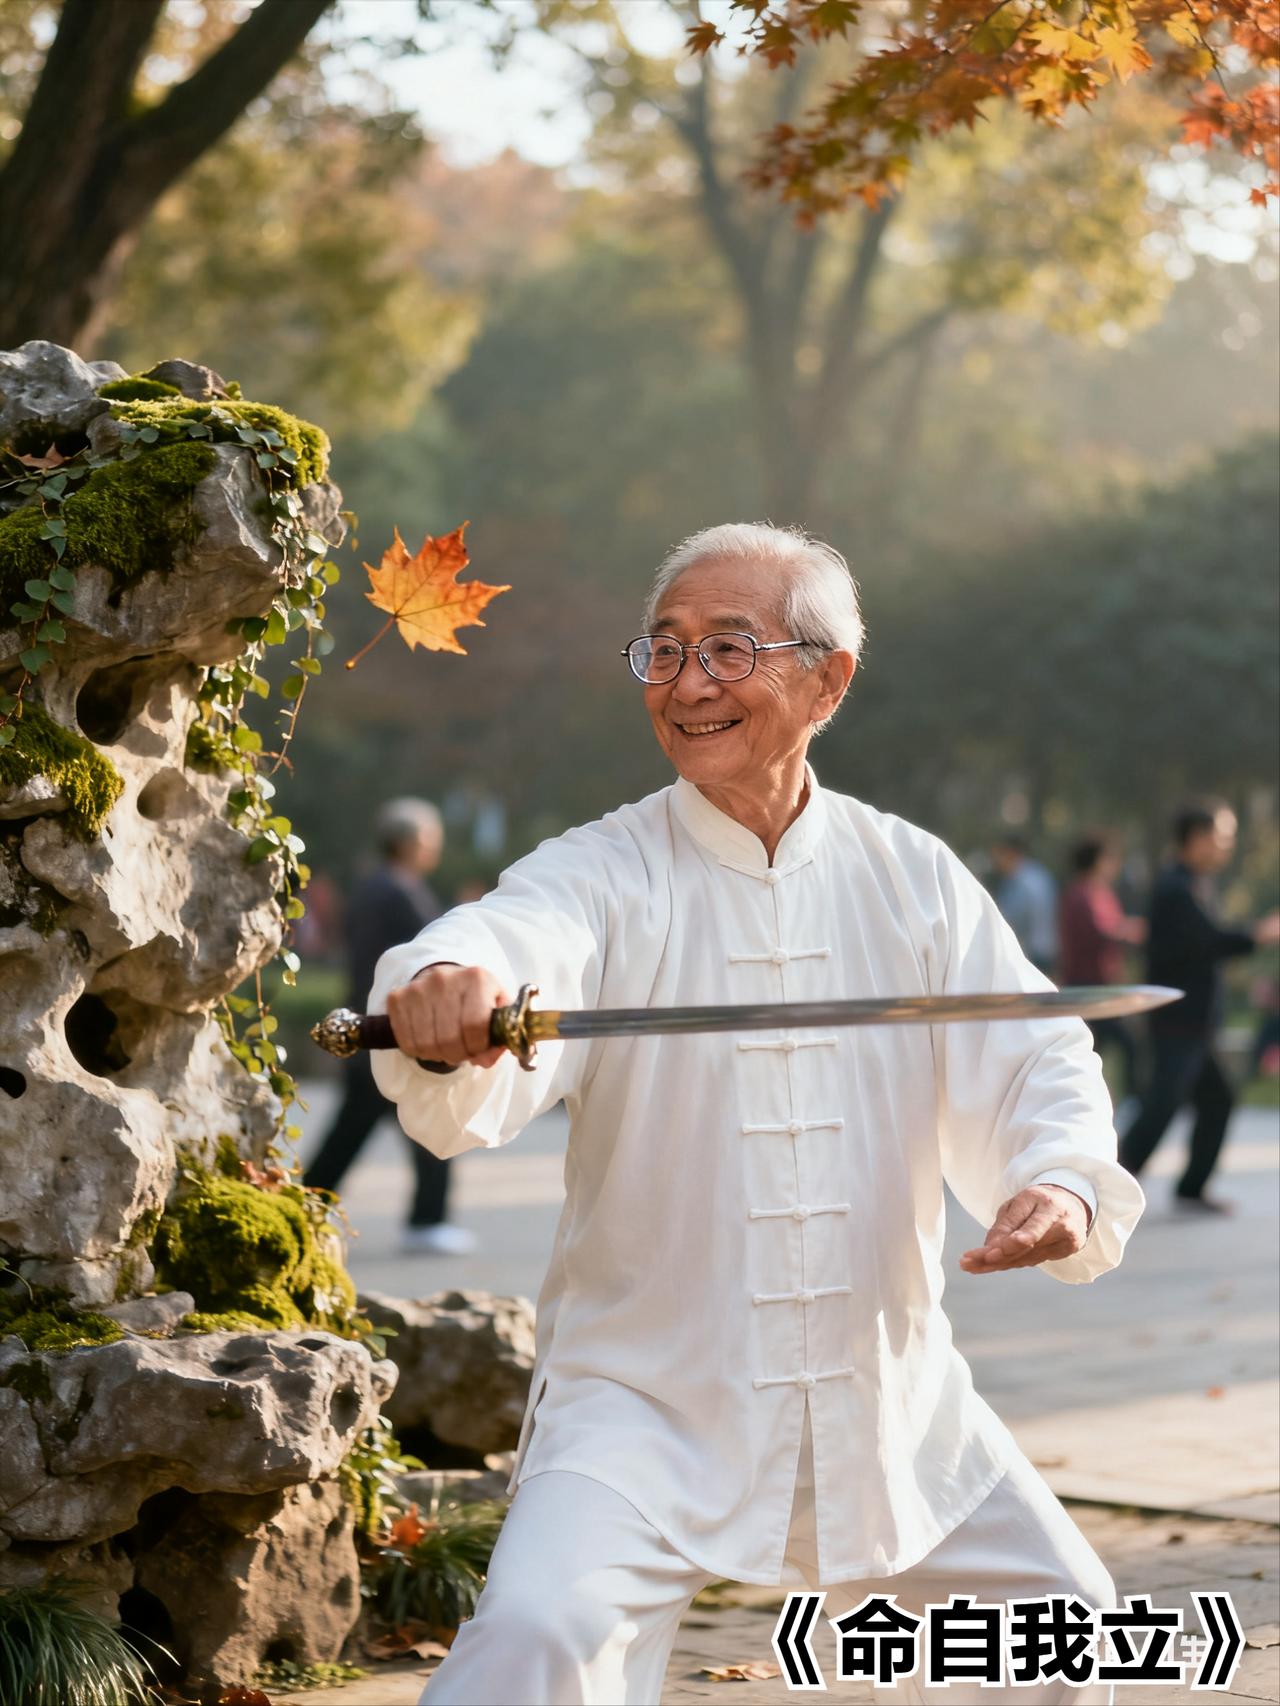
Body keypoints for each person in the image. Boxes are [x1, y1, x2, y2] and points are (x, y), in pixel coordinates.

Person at [370, 523, 1145, 1705]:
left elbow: (1037, 1049)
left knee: (1071, 1631)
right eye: (665, 650)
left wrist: (1062, 1179)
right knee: (536, 1635)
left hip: (887, 1395)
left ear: (827, 676)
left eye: (729, 649)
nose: (686, 684)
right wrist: (448, 983)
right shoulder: (601, 870)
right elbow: (511, 935)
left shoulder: (912, 874)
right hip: (644, 1404)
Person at [305, 797, 476, 1255]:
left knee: (357, 1134)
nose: (434, 849)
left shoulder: (370, 887)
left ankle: (307, 1206)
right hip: (390, 1030)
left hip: (371, 1026)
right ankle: (427, 1221)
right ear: (413, 842)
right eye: (431, 840)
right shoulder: (398, 892)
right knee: (430, 1124)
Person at [1119, 800, 1280, 1213]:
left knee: (1216, 1099)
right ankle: (1107, 1187)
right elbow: (1207, 942)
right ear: (1195, 839)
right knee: (1163, 1104)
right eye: (1220, 837)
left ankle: (1190, 1188)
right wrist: (1258, 934)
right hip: (1178, 1020)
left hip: (1193, 1021)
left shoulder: (1191, 884)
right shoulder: (1175, 888)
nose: (1226, 846)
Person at [1058, 834, 1146, 1105]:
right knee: (1106, 1046)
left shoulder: (1098, 893)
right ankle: (1123, 1101)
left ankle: (1107, 1098)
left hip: (1102, 986)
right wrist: (1129, 931)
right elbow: (1100, 931)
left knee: (1104, 1046)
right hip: (1087, 988)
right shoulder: (1082, 894)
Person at [990, 833, 1058, 975]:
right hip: (1042, 951)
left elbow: (1011, 919)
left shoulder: (1020, 881)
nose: (996, 860)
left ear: (1010, 853)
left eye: (1000, 854)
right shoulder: (1038, 874)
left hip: (1031, 954)